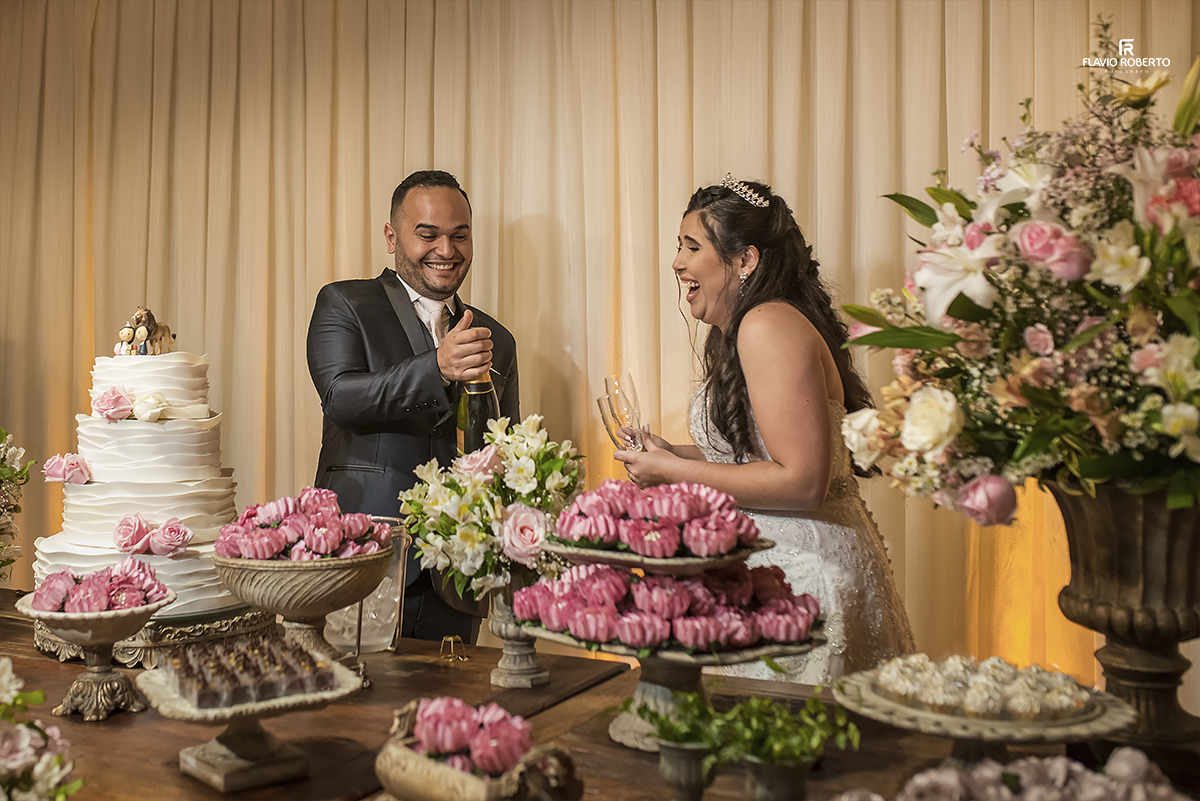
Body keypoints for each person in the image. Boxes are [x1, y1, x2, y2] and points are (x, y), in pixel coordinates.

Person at [616, 174, 913, 683]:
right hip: (772, 571)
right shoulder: (752, 326)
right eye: (678, 247)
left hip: (802, 581)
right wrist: (678, 456)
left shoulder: (766, 326)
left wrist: (669, 473)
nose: (678, 263)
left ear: (745, 260)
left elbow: (801, 481)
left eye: (692, 246)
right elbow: (754, 458)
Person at [306, 169, 519, 643]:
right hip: (366, 558)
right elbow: (341, 396)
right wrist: (437, 368)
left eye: (459, 236)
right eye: (428, 234)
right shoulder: (345, 303)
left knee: (452, 713)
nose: (446, 250)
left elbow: (503, 453)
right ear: (391, 236)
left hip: (459, 573)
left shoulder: (495, 339)